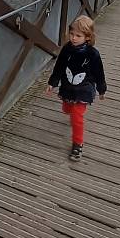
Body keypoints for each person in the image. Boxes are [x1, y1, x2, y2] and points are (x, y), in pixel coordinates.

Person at [45, 15, 106, 161]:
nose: (73, 38)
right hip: (68, 86)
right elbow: (59, 67)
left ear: (88, 37)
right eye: (71, 34)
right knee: (67, 109)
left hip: (85, 88)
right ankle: (69, 110)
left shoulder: (93, 54)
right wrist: (53, 82)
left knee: (76, 116)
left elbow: (99, 73)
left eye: (78, 35)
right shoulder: (67, 49)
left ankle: (77, 144)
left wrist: (101, 89)